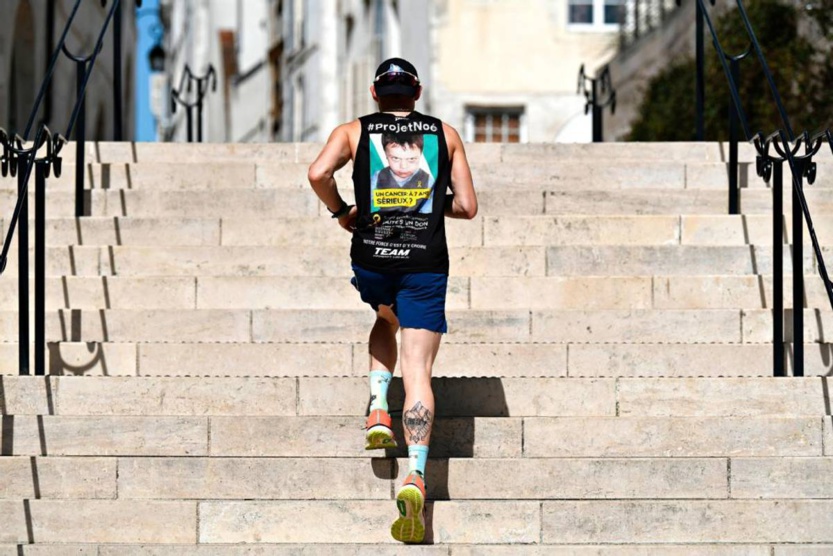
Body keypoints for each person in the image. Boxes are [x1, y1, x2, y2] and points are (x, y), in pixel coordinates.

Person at [308, 57, 477, 544]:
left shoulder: (352, 131)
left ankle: (379, 405)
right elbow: (467, 206)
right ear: (417, 92)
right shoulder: (444, 134)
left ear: (374, 93)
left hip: (373, 256)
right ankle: (416, 473)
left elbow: (318, 173)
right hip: (425, 261)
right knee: (418, 368)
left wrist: (342, 211)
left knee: (386, 317)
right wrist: (431, 204)